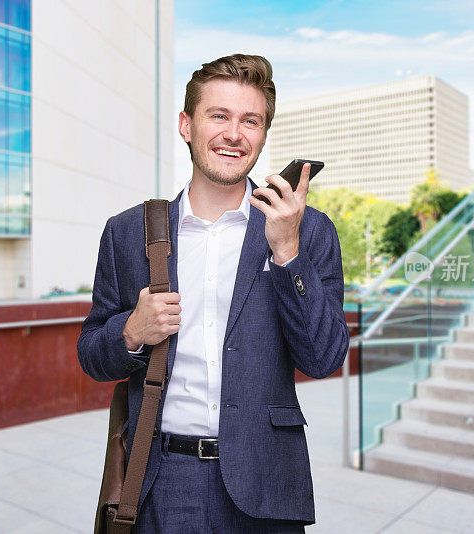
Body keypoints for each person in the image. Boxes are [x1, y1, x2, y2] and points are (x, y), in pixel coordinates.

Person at [78, 53, 349, 533]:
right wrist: (132, 331)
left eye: (251, 120)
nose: (234, 133)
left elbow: (324, 358)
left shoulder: (309, 231)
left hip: (267, 485)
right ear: (187, 125)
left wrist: (288, 252)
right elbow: (93, 357)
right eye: (218, 116)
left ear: (264, 134)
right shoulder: (127, 233)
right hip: (160, 482)